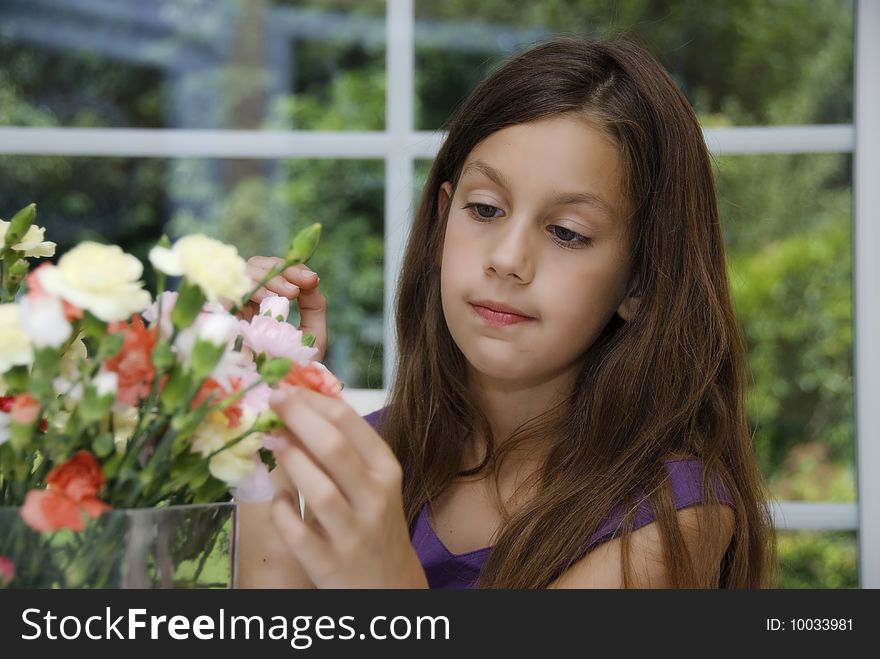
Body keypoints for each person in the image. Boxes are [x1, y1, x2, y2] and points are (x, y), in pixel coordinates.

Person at [236, 35, 777, 589]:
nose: (508, 259)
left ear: (641, 279)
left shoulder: (672, 518)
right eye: (486, 209)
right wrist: (265, 404)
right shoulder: (368, 454)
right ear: (444, 218)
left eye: (567, 232)